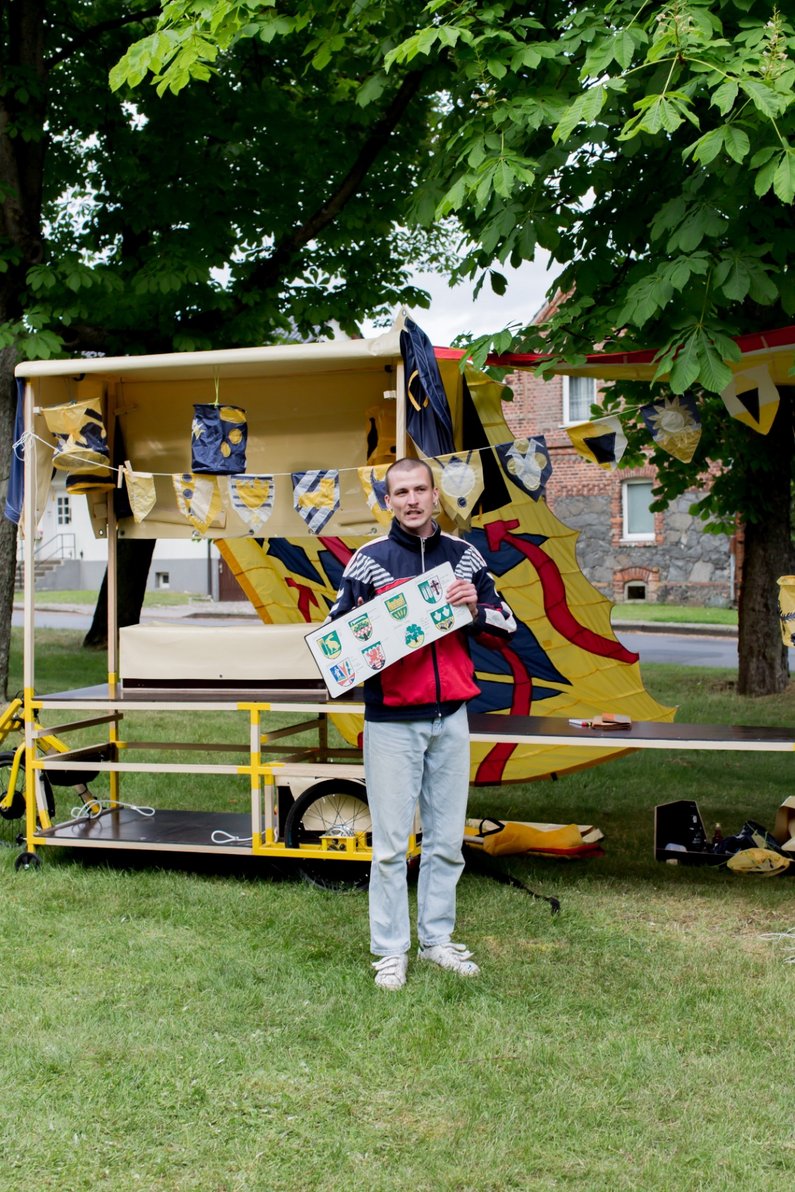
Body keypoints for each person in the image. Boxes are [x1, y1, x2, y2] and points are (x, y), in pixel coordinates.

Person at [328, 457, 516, 989]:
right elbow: (335, 636)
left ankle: (437, 940)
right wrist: (381, 619)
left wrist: (474, 605)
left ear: (436, 496)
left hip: (452, 716)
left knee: (445, 840)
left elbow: (509, 623)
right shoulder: (369, 561)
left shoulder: (464, 558)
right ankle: (390, 950)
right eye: (400, 492)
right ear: (388, 501)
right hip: (391, 721)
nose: (411, 500)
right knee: (390, 844)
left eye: (420, 489)